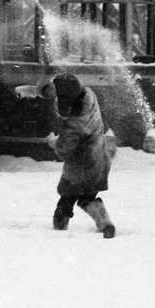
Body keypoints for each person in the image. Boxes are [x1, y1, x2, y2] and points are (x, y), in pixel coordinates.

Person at [42, 72, 117, 238]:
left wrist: (52, 142)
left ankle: (59, 234)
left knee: (66, 201)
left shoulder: (74, 123)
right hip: (98, 157)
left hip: (80, 166)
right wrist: (36, 91)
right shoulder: (88, 96)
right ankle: (105, 224)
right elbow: (65, 91)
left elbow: (63, 149)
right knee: (88, 198)